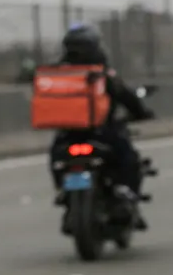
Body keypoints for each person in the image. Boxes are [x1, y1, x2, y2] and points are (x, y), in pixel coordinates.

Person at [48, 24, 154, 227]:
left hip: (69, 133)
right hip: (102, 132)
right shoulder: (102, 73)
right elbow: (125, 95)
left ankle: (62, 190)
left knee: (55, 155)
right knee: (128, 156)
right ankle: (124, 191)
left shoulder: (58, 74)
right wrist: (141, 113)